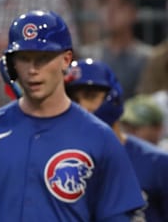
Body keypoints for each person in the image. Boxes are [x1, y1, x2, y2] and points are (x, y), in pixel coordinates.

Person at [0, 10, 145, 221]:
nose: (33, 70)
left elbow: (116, 218)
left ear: (66, 60)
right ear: (12, 64)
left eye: (44, 58)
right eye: (24, 58)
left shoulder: (99, 136)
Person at [65, 58, 168, 222]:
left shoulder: (158, 162)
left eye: (90, 96)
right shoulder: (61, 163)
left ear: (112, 98)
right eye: (74, 100)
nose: (82, 107)